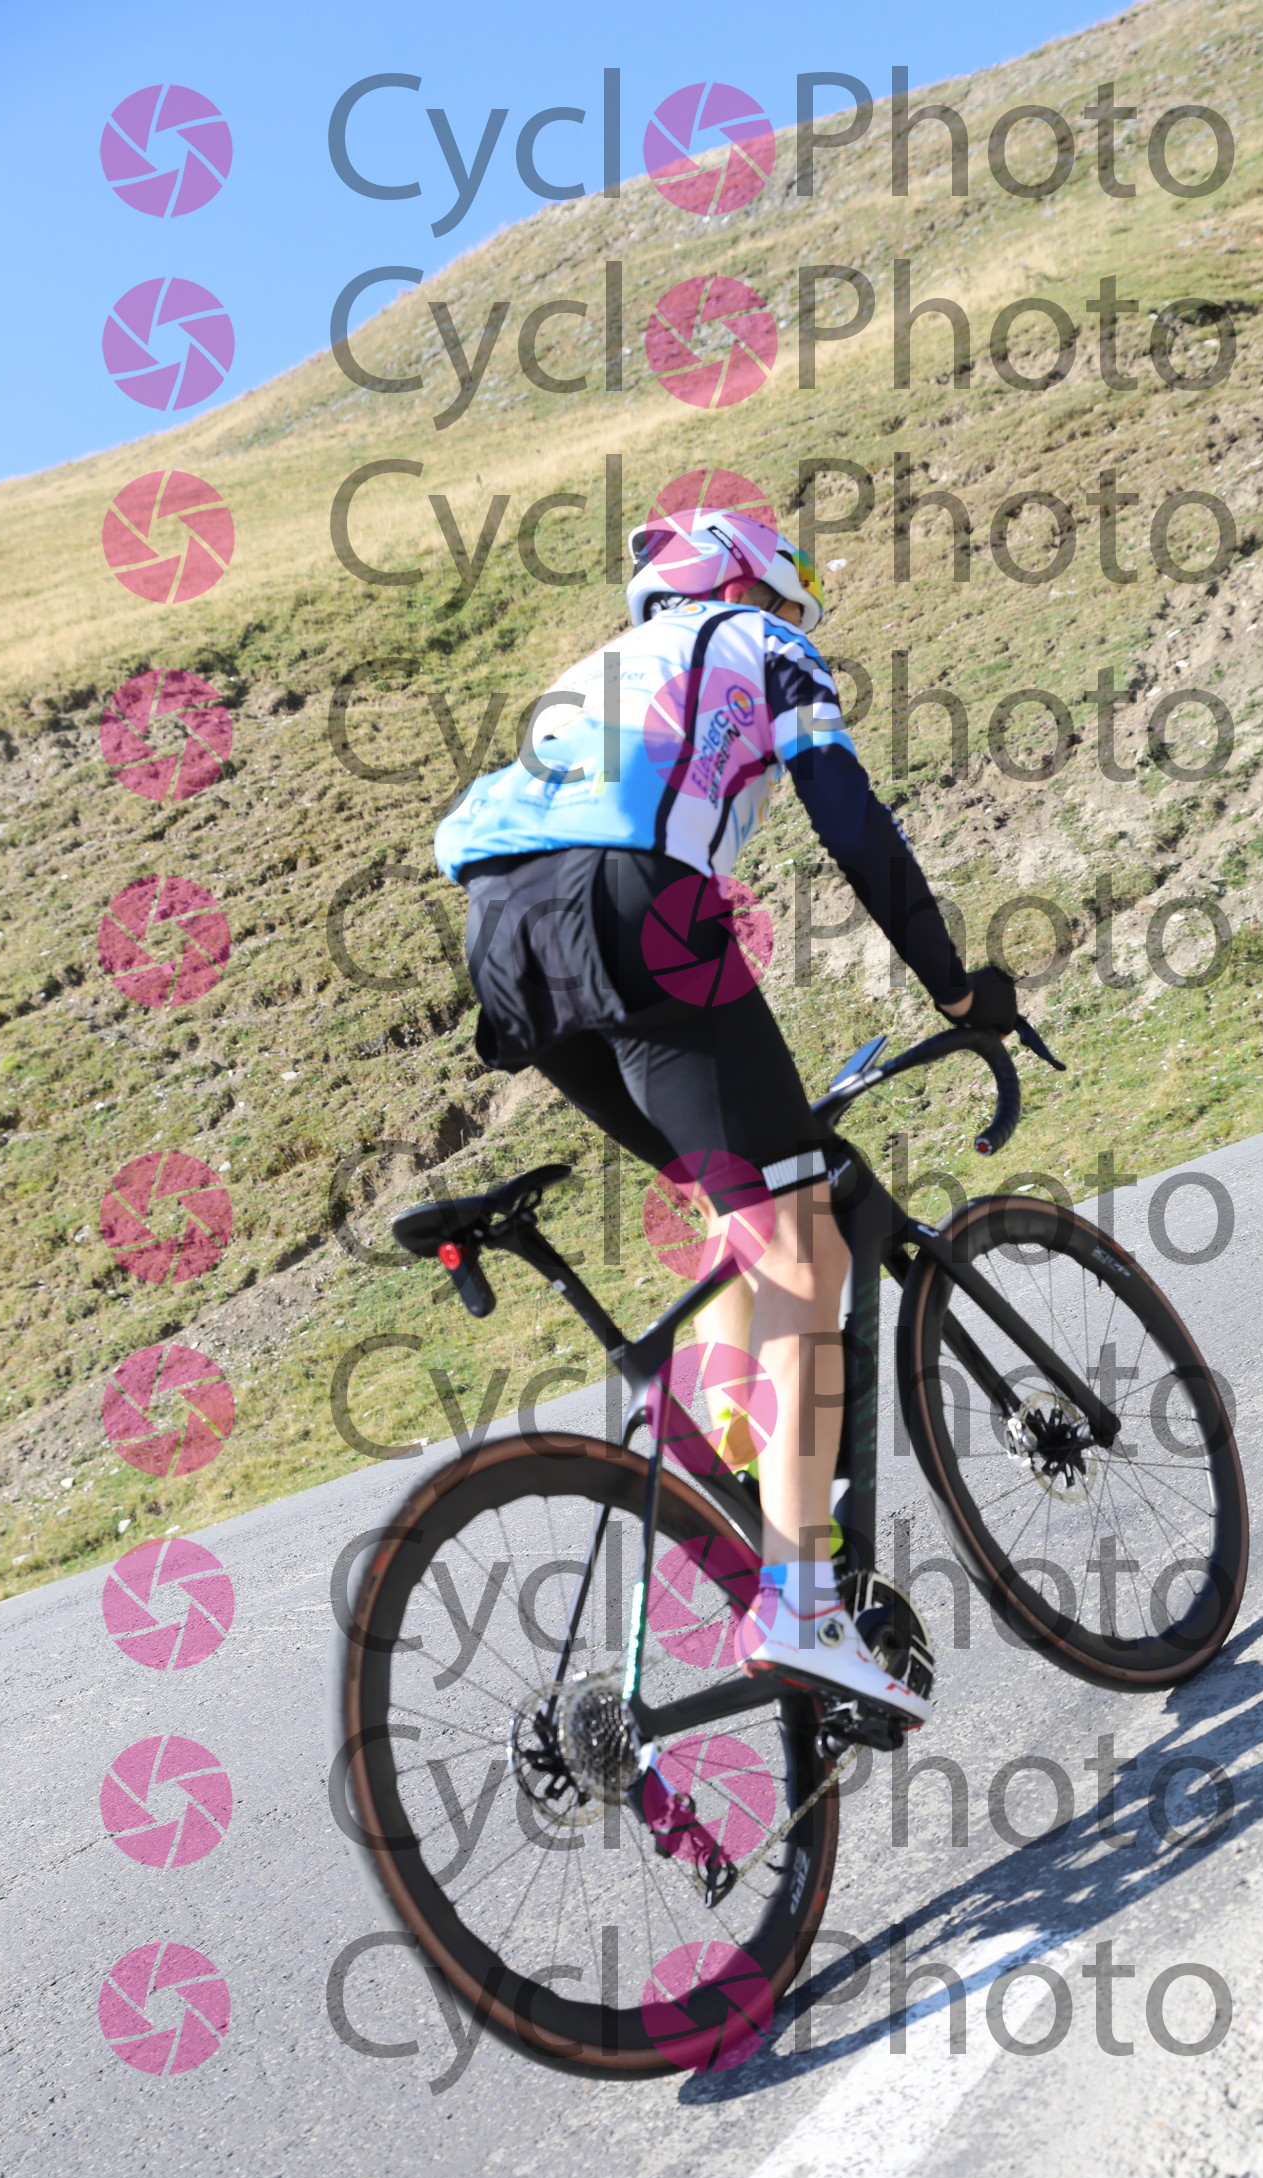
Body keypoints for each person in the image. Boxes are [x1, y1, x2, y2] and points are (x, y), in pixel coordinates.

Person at [435, 507, 1018, 1734]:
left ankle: (760, 1478)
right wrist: (953, 987)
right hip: (632, 906)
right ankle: (801, 1599)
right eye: (792, 595)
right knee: (803, 1248)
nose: (802, 619)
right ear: (750, 583)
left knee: (743, 1208)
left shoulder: (598, 670)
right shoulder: (757, 640)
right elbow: (848, 816)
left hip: (500, 937)